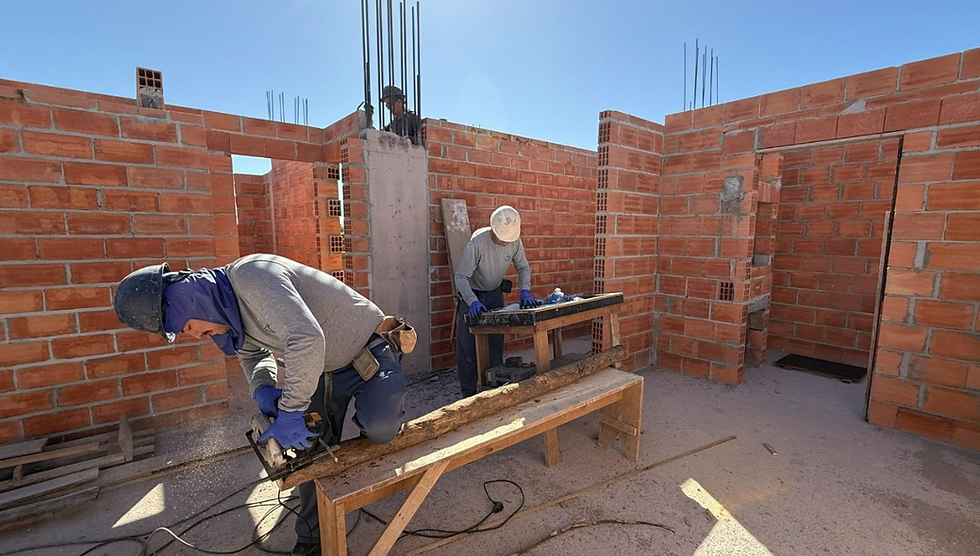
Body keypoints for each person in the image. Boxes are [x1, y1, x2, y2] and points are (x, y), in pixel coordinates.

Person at [112, 254, 409, 556]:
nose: (197, 335)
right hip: (319, 366)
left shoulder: (253, 277)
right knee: (310, 451)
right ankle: (311, 538)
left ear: (190, 301)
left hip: (367, 351)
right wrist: (262, 389)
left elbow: (306, 339)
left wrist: (292, 409)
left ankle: (385, 412)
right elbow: (252, 356)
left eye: (188, 327)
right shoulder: (227, 310)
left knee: (380, 429)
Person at [453, 206, 538, 397]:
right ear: (493, 229)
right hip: (472, 296)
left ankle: (493, 390)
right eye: (501, 239)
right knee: (468, 351)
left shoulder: (514, 240)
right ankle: (467, 396)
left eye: (507, 240)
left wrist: (525, 291)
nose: (504, 243)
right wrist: (472, 301)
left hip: (494, 294)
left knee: (495, 345)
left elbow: (523, 267)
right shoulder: (477, 242)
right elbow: (461, 277)